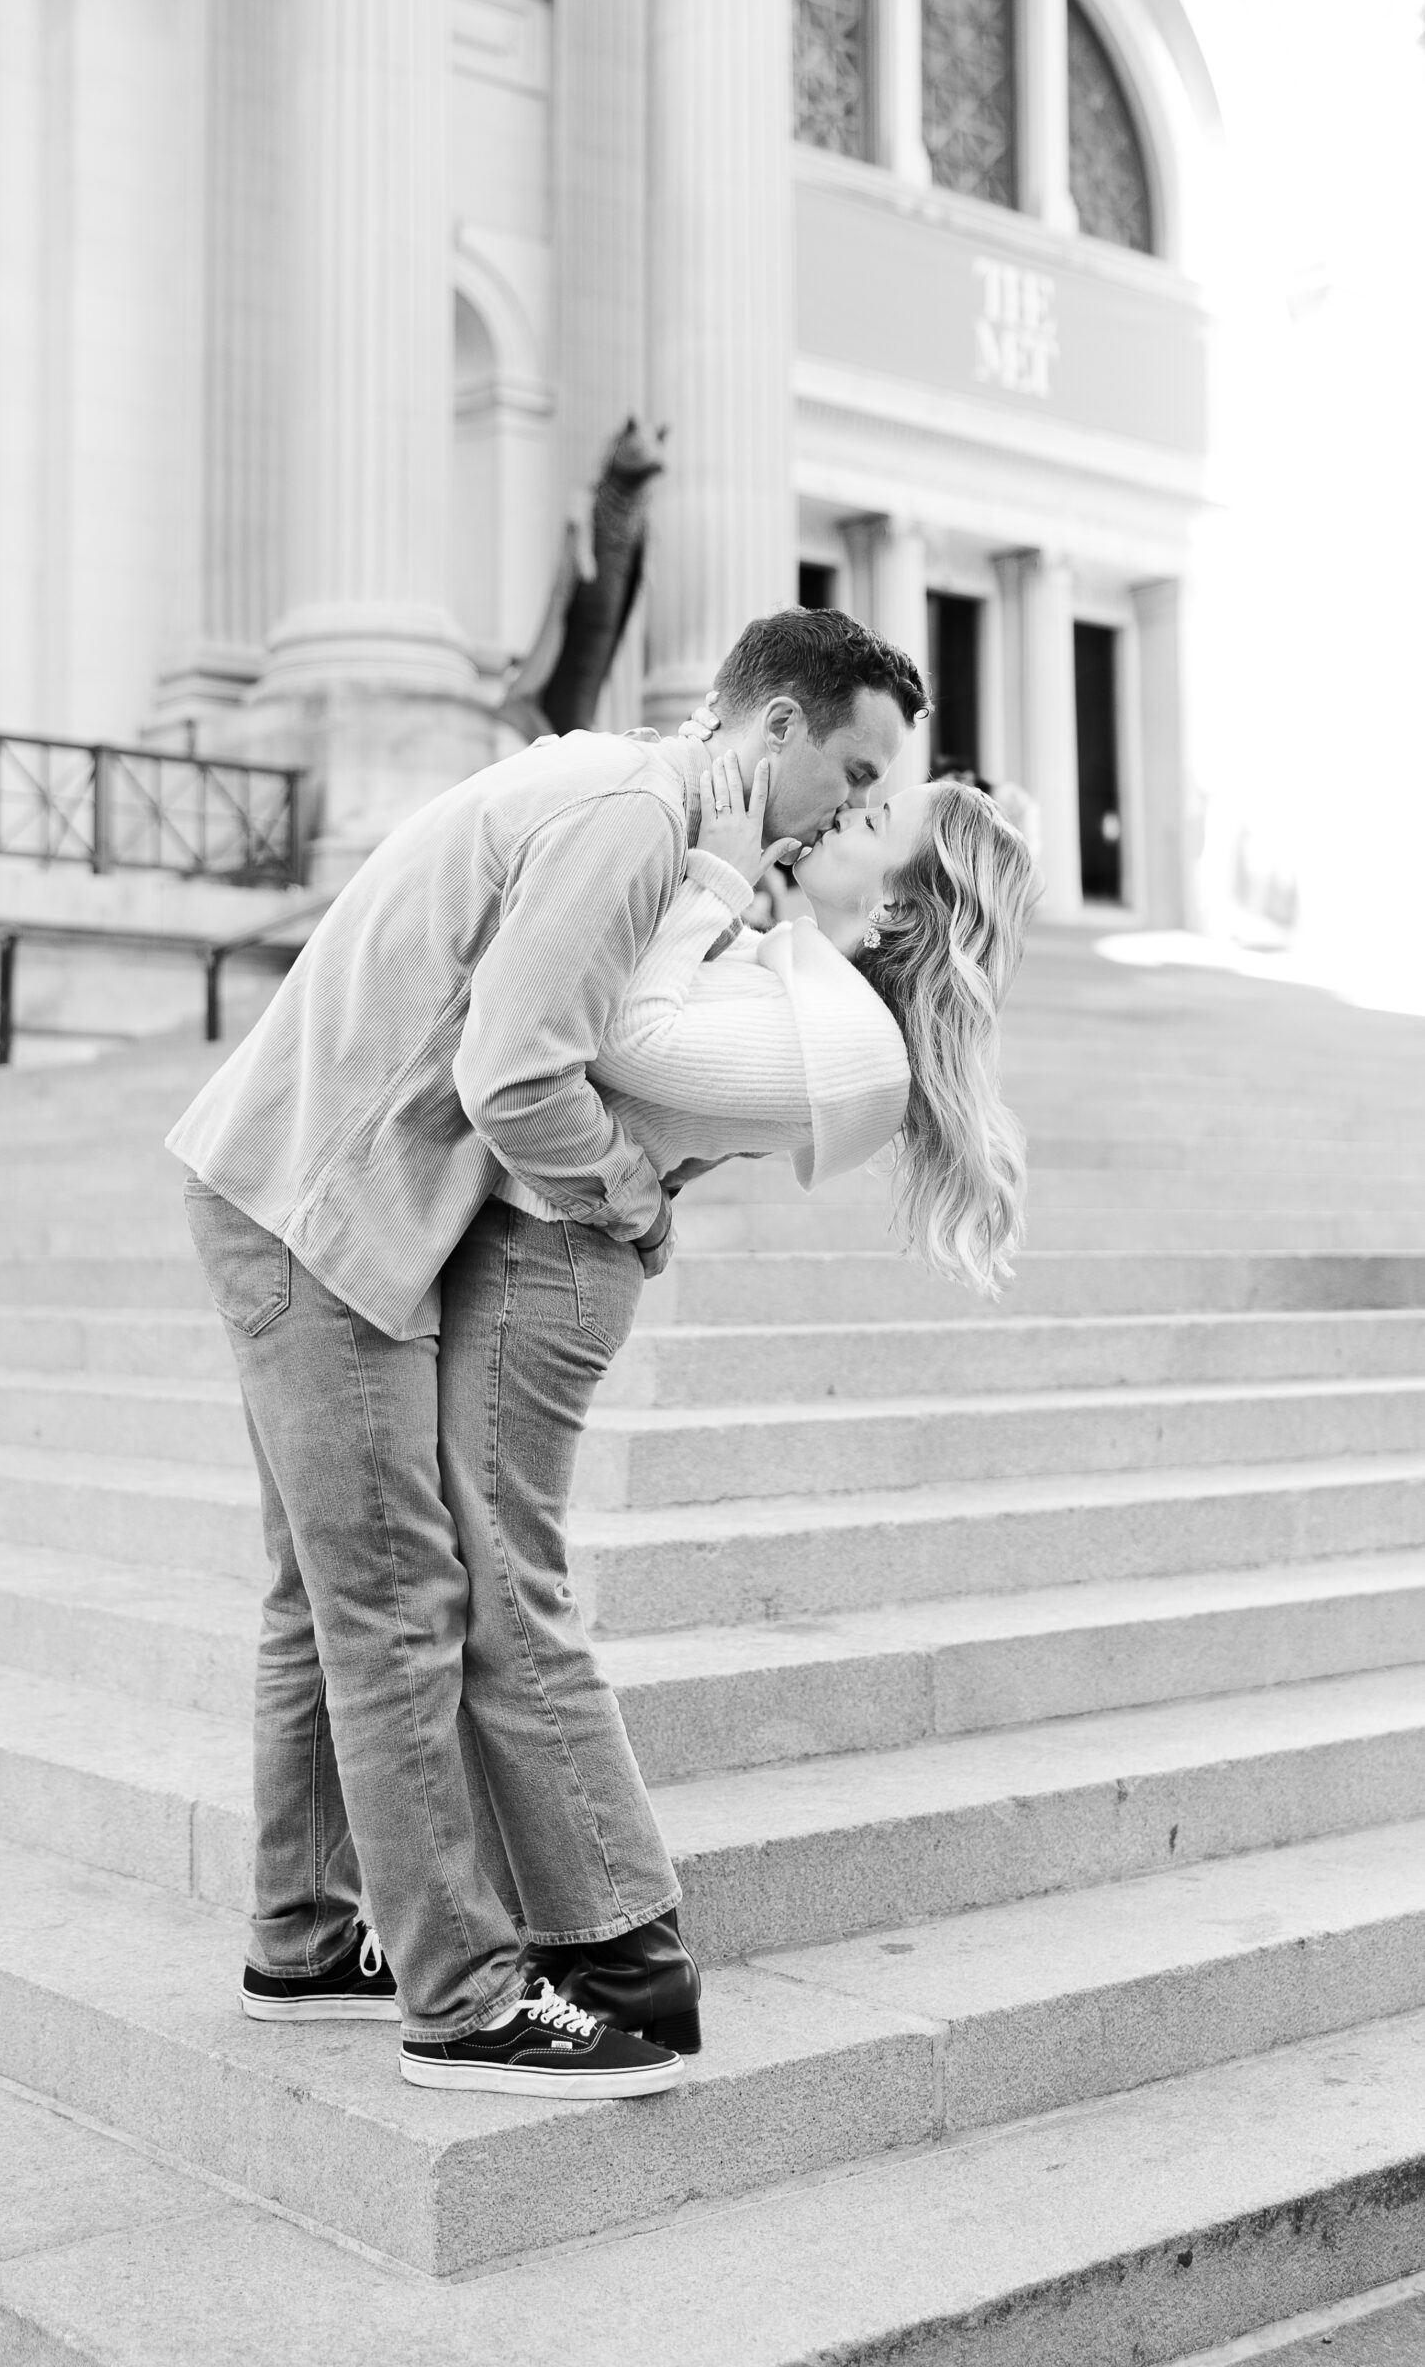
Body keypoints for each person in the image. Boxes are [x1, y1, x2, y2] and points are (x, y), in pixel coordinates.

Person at [166, 607, 926, 2098]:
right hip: (327, 1213)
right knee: (396, 1599)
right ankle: (461, 1999)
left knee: (318, 1593)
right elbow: (514, 1074)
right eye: (849, 772)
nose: (846, 811)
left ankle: (303, 1938)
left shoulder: (621, 790)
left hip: (289, 1188)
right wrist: (633, 1196)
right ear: (775, 722)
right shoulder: (632, 814)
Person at [586, 760, 1034, 1306]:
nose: (849, 813)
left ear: (895, 903)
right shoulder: (807, 972)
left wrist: (718, 875)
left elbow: (618, 1035)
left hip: (547, 1262)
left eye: (876, 823)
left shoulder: (857, 1050)